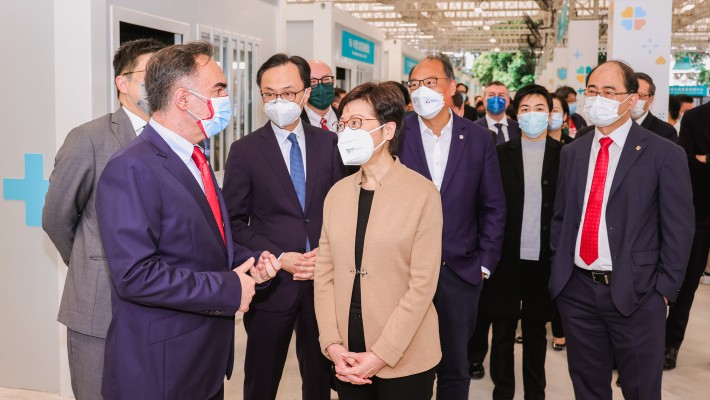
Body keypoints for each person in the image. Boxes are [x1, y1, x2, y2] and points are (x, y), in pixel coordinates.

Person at [94, 41, 280, 400]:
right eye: (219, 89)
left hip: (201, 364)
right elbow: (136, 275)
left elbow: (198, 243)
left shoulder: (194, 156)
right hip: (162, 372)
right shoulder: (131, 167)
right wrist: (228, 289)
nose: (228, 98)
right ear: (184, 99)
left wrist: (247, 263)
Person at [550, 60, 694, 400]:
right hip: (578, 291)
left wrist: (663, 291)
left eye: (609, 92)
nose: (598, 98)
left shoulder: (664, 153)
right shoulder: (573, 152)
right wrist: (562, 276)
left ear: (631, 100)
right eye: (593, 91)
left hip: (639, 294)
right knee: (588, 387)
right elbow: (561, 218)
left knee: (641, 389)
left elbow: (679, 228)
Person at [41, 38, 166, 399]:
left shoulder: (177, 139)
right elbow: (56, 216)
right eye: (150, 74)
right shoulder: (89, 138)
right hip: (99, 305)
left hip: (162, 304)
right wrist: (89, 258)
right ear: (122, 83)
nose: (159, 83)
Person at [221, 53, 344, 400]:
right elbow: (232, 221)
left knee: (319, 379)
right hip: (272, 284)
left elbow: (341, 209)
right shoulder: (244, 151)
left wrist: (328, 253)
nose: (278, 102)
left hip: (323, 283)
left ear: (305, 94)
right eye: (269, 94)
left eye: (288, 93)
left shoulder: (329, 145)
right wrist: (278, 255)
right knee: (262, 380)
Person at [314, 81, 443, 400]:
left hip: (405, 355)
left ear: (388, 131)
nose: (346, 131)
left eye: (356, 123)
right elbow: (324, 275)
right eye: (343, 124)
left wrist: (381, 355)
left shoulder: (422, 194)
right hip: (347, 351)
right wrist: (332, 343)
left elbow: (422, 285)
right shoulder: (336, 194)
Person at [399, 54, 506, 400]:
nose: (420, 92)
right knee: (404, 364)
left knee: (454, 367)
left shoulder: (477, 139)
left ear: (449, 88)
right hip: (403, 271)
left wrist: (484, 265)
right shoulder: (396, 134)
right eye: (414, 85)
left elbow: (493, 205)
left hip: (460, 272)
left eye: (428, 83)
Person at [478, 83, 561, 400]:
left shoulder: (563, 155)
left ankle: (535, 391)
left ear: (550, 114)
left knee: (536, 330)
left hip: (544, 260)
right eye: (525, 109)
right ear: (516, 114)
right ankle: (503, 389)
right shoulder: (499, 154)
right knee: (501, 329)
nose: (533, 115)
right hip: (505, 257)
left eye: (540, 108)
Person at [667, 100, 710, 369]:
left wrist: (705, 158)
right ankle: (670, 344)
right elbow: (685, 160)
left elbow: (700, 160)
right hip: (700, 213)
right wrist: (699, 159)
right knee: (687, 283)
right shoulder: (694, 117)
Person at [631, 73, 677, 143]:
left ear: (650, 99)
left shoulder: (665, 131)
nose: (634, 99)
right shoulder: (614, 126)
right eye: (630, 94)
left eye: (640, 95)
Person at [300, 59, 339, 132]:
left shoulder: (346, 118)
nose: (321, 88)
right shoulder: (294, 122)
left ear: (334, 82)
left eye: (326, 79)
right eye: (313, 81)